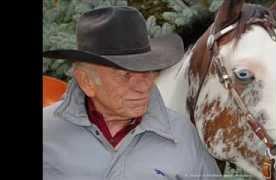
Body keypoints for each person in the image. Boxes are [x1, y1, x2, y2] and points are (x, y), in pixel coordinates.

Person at [43, 6, 222, 180]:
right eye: (125, 75)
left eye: (147, 72)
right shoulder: (47, 131)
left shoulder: (183, 135)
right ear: (86, 81)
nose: (143, 87)